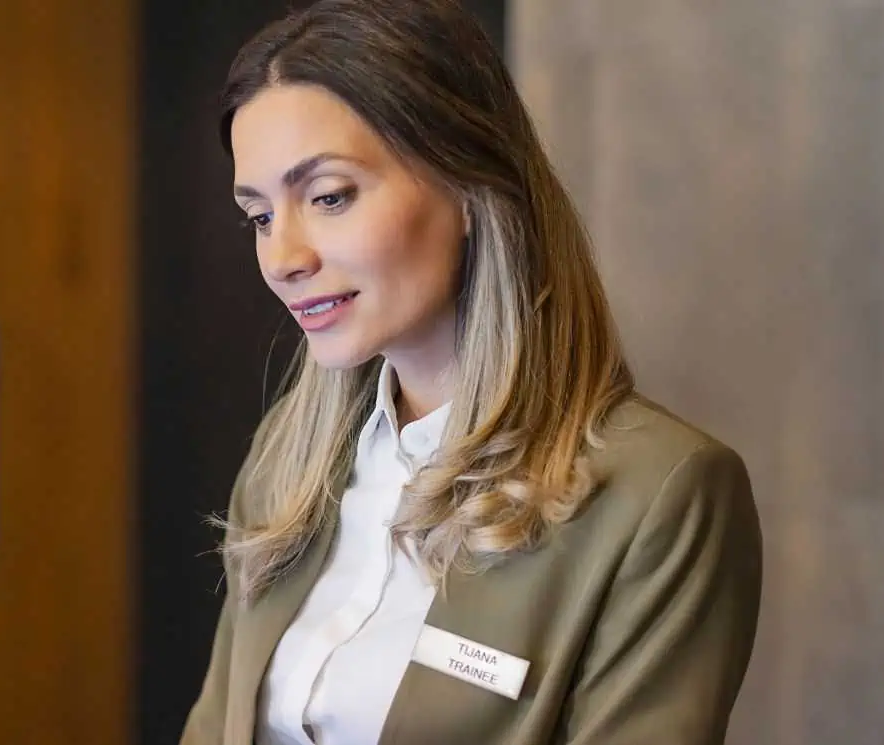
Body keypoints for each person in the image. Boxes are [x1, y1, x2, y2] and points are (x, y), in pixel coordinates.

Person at [180, 2, 764, 744]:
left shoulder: (662, 494)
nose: (284, 257)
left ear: (467, 184)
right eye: (259, 216)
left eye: (328, 197)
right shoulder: (287, 462)